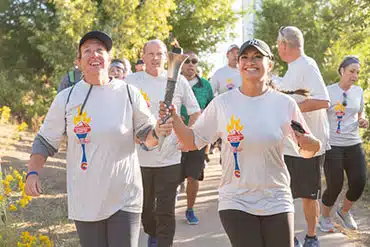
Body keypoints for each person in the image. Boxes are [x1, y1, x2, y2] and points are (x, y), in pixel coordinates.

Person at [160, 38, 321, 247]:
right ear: (238, 65)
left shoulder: (284, 104)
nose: (249, 61)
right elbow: (192, 141)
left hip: (276, 197)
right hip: (235, 199)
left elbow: (307, 150)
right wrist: (175, 120)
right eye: (244, 57)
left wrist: (311, 143)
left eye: (257, 57)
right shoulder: (223, 104)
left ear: (269, 64)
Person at [24, 31, 172, 247]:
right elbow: (45, 141)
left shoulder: (130, 93)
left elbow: (147, 138)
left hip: (125, 196)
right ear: (79, 61)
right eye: (87, 51)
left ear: (109, 58)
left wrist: (158, 131)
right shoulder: (66, 98)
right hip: (86, 200)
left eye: (100, 50)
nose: (94, 55)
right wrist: (32, 173)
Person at [125, 39, 200, 247]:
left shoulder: (178, 81)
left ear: (166, 57)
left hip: (170, 157)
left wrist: (187, 138)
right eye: (151, 54)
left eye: (160, 54)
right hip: (140, 158)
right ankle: (154, 235)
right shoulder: (130, 82)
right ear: (143, 56)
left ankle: (163, 243)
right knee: (145, 209)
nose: (155, 58)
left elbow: (195, 112)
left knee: (165, 209)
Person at [277, 26, 330, 247]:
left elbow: (323, 100)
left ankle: (311, 237)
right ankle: (291, 238)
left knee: (309, 195)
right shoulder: (291, 69)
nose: (278, 48)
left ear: (284, 45)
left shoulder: (307, 65)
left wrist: (292, 111)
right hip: (289, 146)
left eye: (278, 44)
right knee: (283, 193)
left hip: (310, 145)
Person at [319, 56, 368, 232]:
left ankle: (344, 211)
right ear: (341, 71)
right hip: (333, 145)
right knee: (335, 184)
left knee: (359, 181)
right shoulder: (328, 91)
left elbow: (360, 114)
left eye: (357, 73)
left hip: (354, 143)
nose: (354, 76)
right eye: (351, 71)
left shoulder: (359, 92)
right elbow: (320, 118)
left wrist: (363, 121)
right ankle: (324, 217)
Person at [180, 51, 214, 225]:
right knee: (171, 177)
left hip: (197, 139)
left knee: (193, 177)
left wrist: (208, 142)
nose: (191, 65)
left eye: (194, 61)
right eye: (187, 61)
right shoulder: (173, 83)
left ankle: (190, 209)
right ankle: (165, 212)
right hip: (174, 138)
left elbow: (211, 111)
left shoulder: (205, 86)